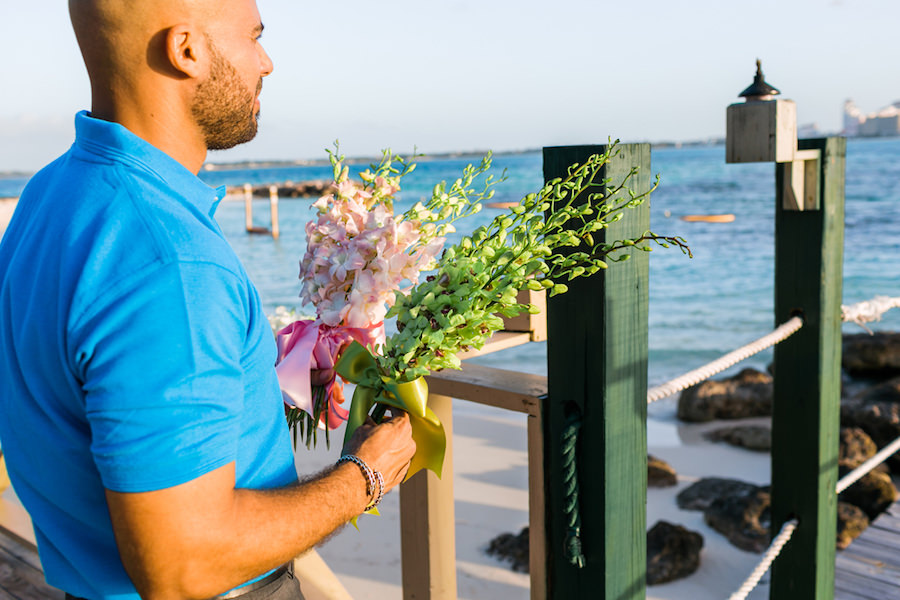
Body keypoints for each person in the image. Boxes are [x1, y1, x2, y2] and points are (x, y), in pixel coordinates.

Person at [0, 1, 417, 599]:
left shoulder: (53, 193)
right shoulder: (166, 262)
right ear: (186, 50)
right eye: (254, 38)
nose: (267, 63)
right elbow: (183, 566)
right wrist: (365, 476)